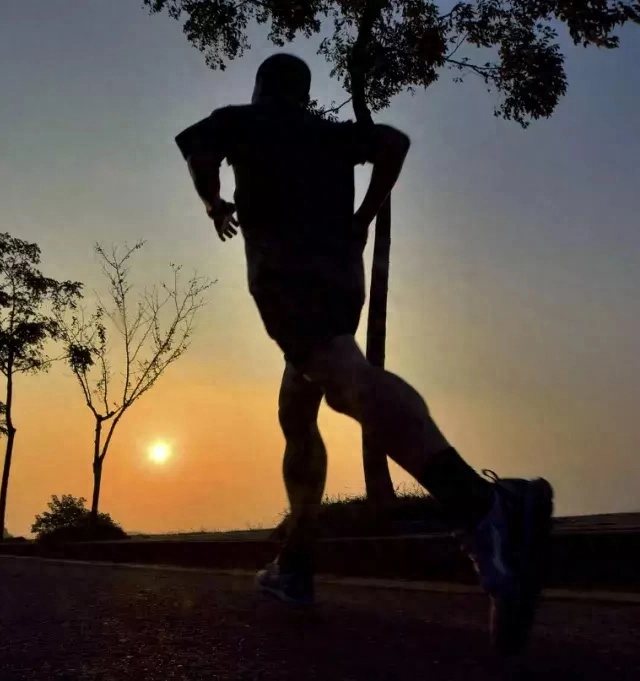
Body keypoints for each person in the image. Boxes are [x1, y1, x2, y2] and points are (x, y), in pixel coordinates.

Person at [174, 53, 554, 654]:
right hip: (339, 276)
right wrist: (362, 218)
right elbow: (393, 143)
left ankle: (484, 504)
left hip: (284, 274)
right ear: (304, 92)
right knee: (299, 408)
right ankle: (296, 563)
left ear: (262, 87)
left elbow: (200, 154)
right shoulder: (328, 133)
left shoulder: (240, 119)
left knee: (340, 374)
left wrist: (213, 202)